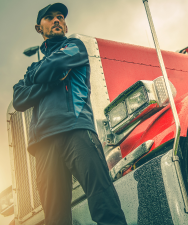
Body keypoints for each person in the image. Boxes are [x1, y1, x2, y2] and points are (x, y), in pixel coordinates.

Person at [12, 3, 127, 225]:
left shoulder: (74, 46)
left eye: (60, 17)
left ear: (65, 25)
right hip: (43, 142)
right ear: (39, 28)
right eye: (49, 17)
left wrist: (39, 81)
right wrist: (51, 82)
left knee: (104, 203)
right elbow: (18, 99)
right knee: (55, 219)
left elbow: (52, 66)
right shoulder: (32, 68)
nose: (56, 20)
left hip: (76, 130)